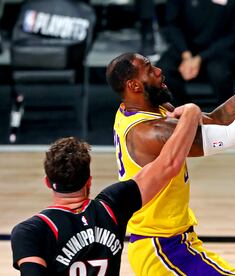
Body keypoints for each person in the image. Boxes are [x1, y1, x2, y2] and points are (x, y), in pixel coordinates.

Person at [106, 32, 235, 274]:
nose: (159, 71)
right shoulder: (151, 132)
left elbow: (217, 120)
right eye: (149, 69)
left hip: (176, 241)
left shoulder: (149, 108)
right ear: (134, 85)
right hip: (161, 249)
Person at [10, 103, 202, 275]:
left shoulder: (29, 232)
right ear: (89, 181)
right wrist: (191, 113)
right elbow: (168, 164)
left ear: (47, 182)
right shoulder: (113, 206)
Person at [156, 0, 235, 104]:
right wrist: (186, 55)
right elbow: (173, 24)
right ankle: (184, 111)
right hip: (185, 46)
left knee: (218, 71)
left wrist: (200, 58)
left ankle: (227, 114)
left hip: (221, 49)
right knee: (163, 69)